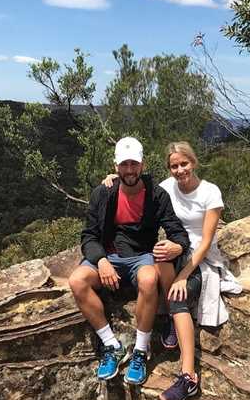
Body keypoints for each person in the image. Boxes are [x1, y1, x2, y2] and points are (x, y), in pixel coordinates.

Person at [103, 141, 235, 400]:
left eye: (184, 164)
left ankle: (189, 377)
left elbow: (206, 242)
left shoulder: (210, 192)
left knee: (178, 298)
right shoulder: (165, 188)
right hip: (174, 253)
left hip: (199, 258)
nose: (179, 170)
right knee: (161, 252)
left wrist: (184, 275)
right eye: (174, 166)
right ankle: (171, 313)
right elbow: (136, 179)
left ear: (193, 163)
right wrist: (113, 177)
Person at [69, 137, 189, 386]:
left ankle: (140, 351)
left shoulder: (156, 195)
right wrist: (101, 260)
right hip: (108, 255)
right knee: (77, 281)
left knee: (148, 278)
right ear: (116, 167)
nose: (130, 170)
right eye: (124, 164)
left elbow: (177, 233)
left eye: (134, 164)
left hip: (141, 256)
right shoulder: (103, 193)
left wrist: (177, 246)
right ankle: (112, 346)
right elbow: (89, 236)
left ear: (142, 165)